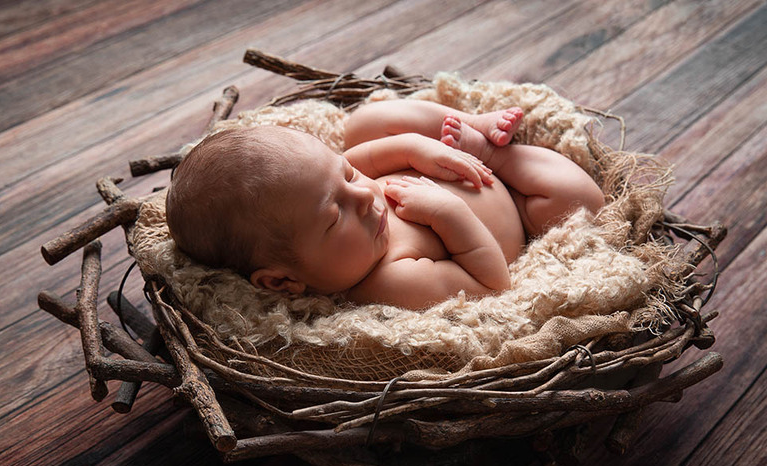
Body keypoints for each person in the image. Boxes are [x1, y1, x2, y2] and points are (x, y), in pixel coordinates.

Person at [166, 99, 604, 309]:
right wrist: (447, 213)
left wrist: (418, 151)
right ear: (281, 281)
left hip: (451, 158)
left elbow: (370, 157)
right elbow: (491, 283)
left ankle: (471, 127)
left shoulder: (328, 189)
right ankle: (497, 152)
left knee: (364, 124)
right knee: (582, 202)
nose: (365, 194)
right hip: (517, 203)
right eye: (335, 216)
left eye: (347, 176)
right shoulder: (386, 281)